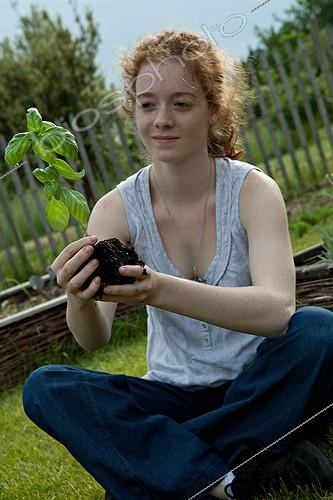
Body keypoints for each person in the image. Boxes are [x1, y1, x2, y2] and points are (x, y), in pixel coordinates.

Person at [22, 29, 333, 500]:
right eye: (148, 104)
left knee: (318, 331)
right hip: (173, 396)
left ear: (213, 109)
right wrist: (78, 295)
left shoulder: (253, 191)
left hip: (260, 379)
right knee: (46, 387)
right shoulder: (115, 209)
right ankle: (227, 479)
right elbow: (93, 338)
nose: (162, 120)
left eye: (182, 104)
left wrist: (158, 290)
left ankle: (160, 465)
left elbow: (276, 313)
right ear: (133, 111)